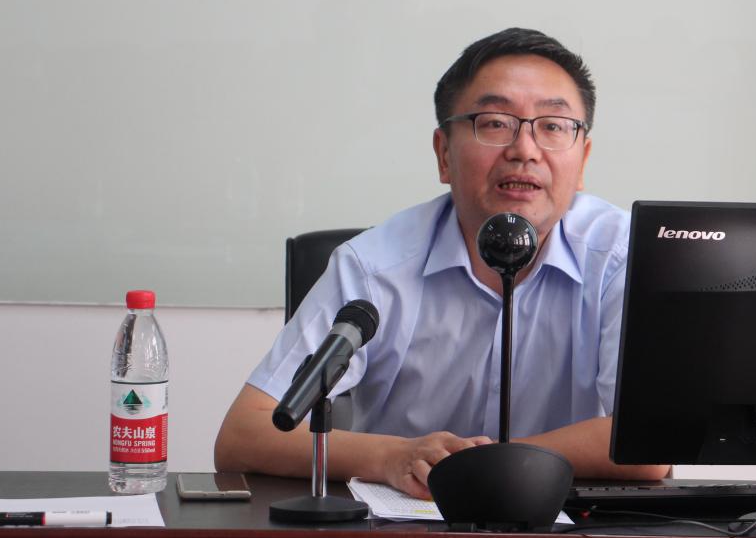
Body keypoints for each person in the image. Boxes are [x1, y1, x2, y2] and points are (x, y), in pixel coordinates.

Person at [214, 27, 669, 497]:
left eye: (553, 126)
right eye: (495, 123)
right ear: (443, 153)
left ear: (583, 158)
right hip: (403, 528)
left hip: (564, 527)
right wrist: (392, 457)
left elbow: (650, 446)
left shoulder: (623, 258)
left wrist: (480, 466)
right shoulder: (373, 267)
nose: (524, 150)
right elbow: (244, 434)